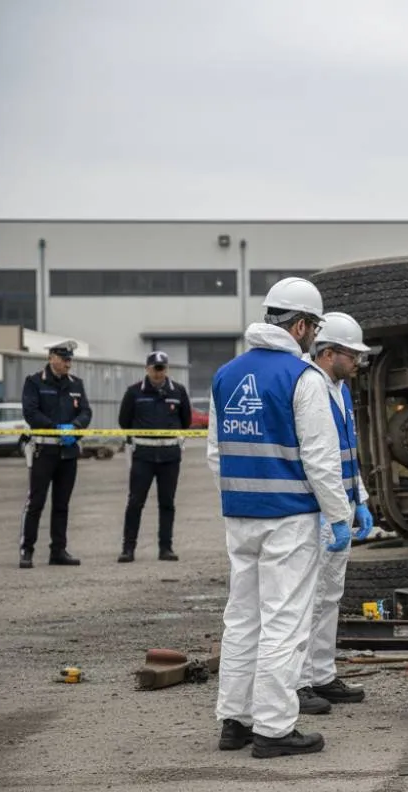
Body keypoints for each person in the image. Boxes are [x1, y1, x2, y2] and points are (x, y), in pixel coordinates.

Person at [206, 277, 353, 759]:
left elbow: (216, 454)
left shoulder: (226, 375)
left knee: (242, 618)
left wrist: (242, 497)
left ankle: (235, 720)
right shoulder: (303, 378)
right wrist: (339, 517)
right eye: (314, 328)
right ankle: (273, 728)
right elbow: (321, 461)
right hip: (290, 519)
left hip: (240, 515)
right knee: (284, 622)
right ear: (303, 325)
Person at [296, 311, 375, 714]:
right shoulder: (310, 388)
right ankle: (299, 682)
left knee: (330, 596)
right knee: (308, 600)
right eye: (352, 354)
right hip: (319, 512)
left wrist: (360, 498)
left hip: (339, 507)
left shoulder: (340, 390)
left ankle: (322, 675)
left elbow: (347, 451)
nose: (358, 361)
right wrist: (335, 513)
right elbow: (317, 459)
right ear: (328, 353)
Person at [18, 340, 91, 569]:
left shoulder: (76, 384)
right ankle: (27, 549)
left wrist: (76, 427)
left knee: (62, 504)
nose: (68, 364)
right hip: (44, 450)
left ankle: (58, 550)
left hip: (68, 452)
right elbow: (31, 412)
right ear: (51, 358)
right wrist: (54, 428)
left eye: (70, 360)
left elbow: (86, 411)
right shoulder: (34, 382)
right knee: (36, 502)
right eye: (64, 359)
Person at [117, 350, 192, 563]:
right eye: (155, 368)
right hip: (143, 455)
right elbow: (124, 420)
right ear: (147, 369)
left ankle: (166, 548)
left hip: (169, 456)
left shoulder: (178, 391)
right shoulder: (134, 392)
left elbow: (186, 421)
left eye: (162, 368)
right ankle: (128, 548)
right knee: (135, 502)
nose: (159, 373)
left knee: (167, 503)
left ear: (167, 369)